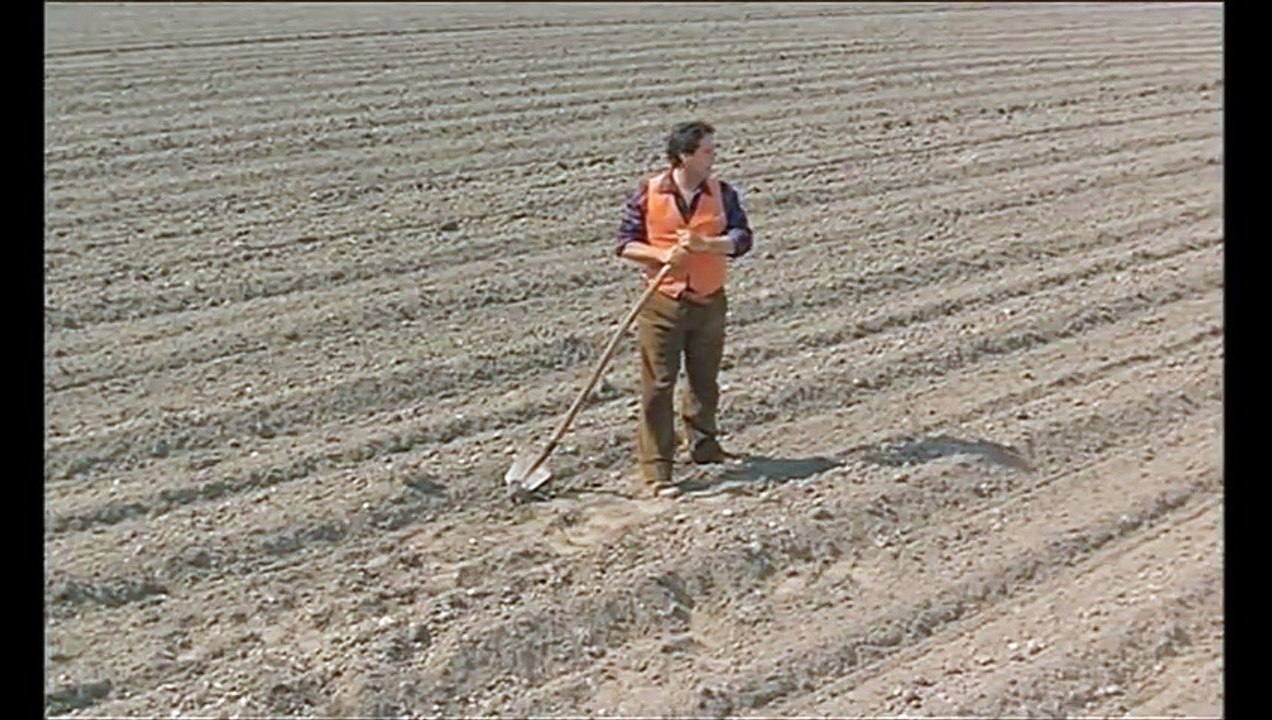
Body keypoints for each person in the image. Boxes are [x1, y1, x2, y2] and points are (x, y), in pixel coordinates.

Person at [615, 120, 754, 497]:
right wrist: (661, 255)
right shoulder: (647, 194)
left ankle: (704, 447)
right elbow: (626, 244)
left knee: (704, 379)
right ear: (684, 156)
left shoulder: (722, 193)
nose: (714, 157)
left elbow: (742, 239)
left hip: (710, 299)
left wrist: (709, 246)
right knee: (658, 385)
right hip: (663, 303)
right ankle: (658, 469)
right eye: (707, 151)